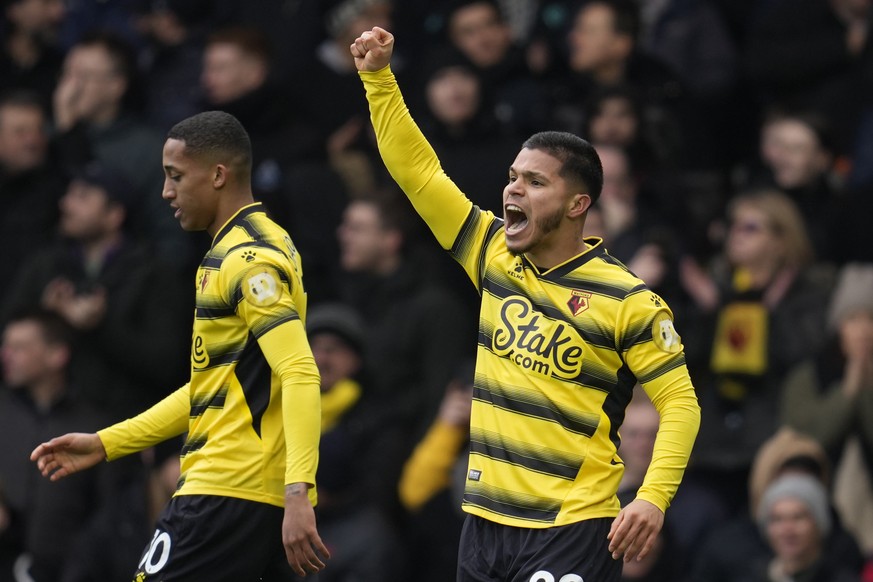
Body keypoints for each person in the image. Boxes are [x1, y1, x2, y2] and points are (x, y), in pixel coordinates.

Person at [351, 26, 701, 582]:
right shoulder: (491, 252)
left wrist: (653, 497)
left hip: (571, 527)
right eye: (512, 177)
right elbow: (418, 173)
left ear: (577, 203)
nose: (513, 190)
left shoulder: (629, 300)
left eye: (535, 182)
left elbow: (681, 405)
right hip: (483, 524)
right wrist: (378, 81)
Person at [29, 110, 329, 580]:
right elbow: (210, 389)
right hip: (251, 492)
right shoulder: (268, 242)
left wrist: (298, 491)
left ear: (217, 175)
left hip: (225, 489)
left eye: (175, 176)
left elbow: (300, 372)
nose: (166, 192)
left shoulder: (247, 262)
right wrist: (108, 443)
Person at [0, 308, 115, 582]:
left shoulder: (94, 425)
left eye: (19, 347)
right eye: (5, 345)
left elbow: (110, 513)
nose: (5, 355)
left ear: (57, 355)